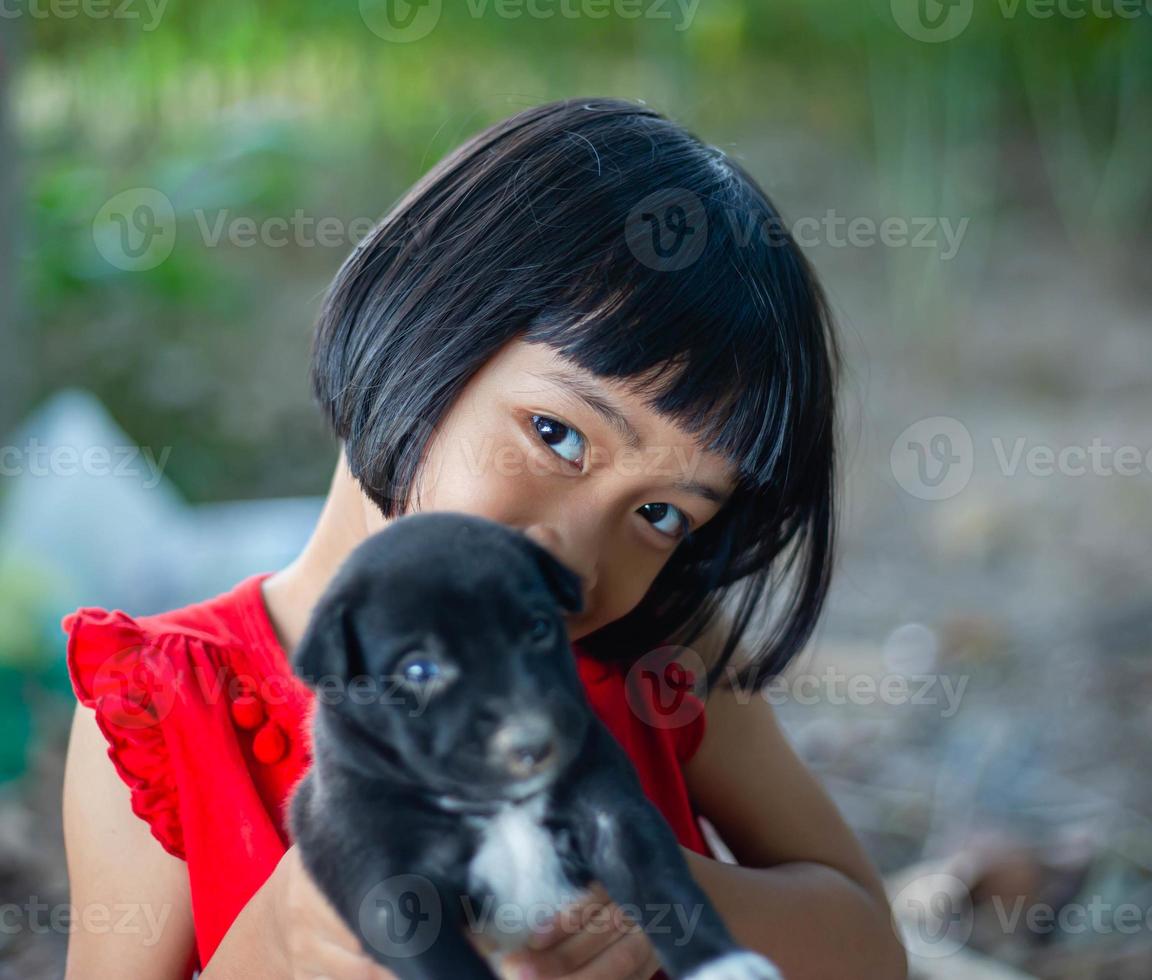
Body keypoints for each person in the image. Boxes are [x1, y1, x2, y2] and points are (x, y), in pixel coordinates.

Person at [61, 97, 907, 980]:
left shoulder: (664, 659)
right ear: (423, 317)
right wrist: (277, 952)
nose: (576, 553)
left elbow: (868, 947)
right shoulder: (168, 706)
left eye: (663, 516)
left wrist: (663, 900)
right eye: (559, 435)